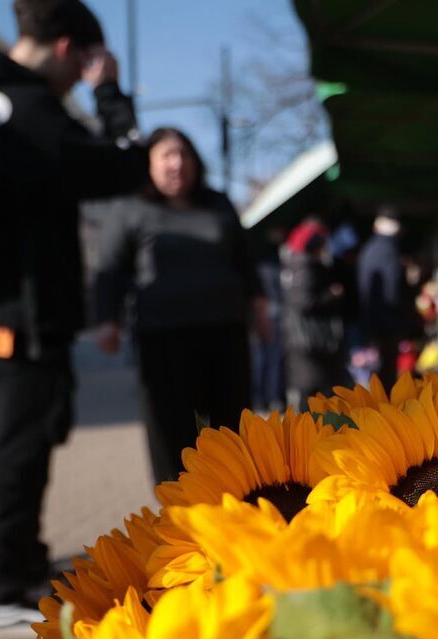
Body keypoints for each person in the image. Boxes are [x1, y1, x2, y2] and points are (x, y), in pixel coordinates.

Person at [0, 0, 148, 638]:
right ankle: (4, 593)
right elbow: (123, 166)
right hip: (14, 316)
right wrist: (111, 96)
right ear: (67, 48)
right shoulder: (30, 112)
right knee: (14, 451)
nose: (83, 76)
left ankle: (19, 567)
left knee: (17, 443)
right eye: (84, 65)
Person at [93, 127, 270, 485]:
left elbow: (245, 261)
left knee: (233, 431)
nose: (177, 164)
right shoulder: (131, 209)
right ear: (149, 165)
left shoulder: (218, 204)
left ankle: (238, 507)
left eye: (184, 154)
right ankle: (179, 515)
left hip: (225, 334)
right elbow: (109, 269)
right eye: (167, 156)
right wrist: (106, 320)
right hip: (164, 340)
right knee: (171, 434)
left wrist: (262, 309)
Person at [280, 218, 352, 406]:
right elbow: (305, 302)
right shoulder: (307, 267)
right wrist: (331, 294)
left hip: (300, 338)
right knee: (316, 391)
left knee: (309, 388)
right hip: (311, 339)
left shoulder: (292, 265)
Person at [356, 207, 407, 377]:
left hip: (373, 319)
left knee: (377, 371)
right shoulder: (389, 250)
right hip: (387, 320)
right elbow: (393, 288)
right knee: (387, 372)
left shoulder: (369, 248)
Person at [253, 227, 287, 410]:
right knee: (270, 359)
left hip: (265, 316)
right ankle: (271, 397)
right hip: (271, 317)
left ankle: (265, 397)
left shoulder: (263, 263)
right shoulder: (269, 264)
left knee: (265, 360)